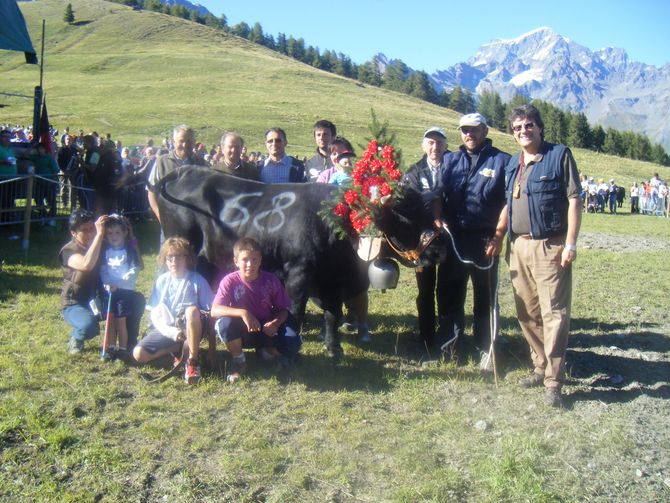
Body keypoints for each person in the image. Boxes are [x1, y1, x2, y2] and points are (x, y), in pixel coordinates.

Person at [493, 104, 581, 407]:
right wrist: (499, 235)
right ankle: (540, 365)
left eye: (529, 125)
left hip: (550, 246)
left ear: (540, 127)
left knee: (554, 313)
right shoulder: (513, 164)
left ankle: (554, 381)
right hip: (517, 247)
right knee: (526, 312)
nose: (523, 131)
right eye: (517, 127)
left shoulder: (558, 155)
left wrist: (570, 243)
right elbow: (509, 203)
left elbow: (574, 199)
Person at [432, 114, 510, 366]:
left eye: (474, 129)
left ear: (485, 131)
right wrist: (437, 217)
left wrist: (499, 235)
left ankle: (486, 349)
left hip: (485, 241)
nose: (469, 134)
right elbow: (437, 194)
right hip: (453, 240)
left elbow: (508, 203)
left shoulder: (502, 161)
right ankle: (450, 350)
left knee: (485, 298)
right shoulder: (450, 160)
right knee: (449, 294)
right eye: (464, 130)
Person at [211, 237, 301, 381]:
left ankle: (266, 351)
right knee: (225, 324)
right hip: (242, 330)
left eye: (254, 259)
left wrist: (275, 323)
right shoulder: (229, 281)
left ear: (260, 260)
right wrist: (243, 313)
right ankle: (239, 361)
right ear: (236, 261)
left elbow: (283, 310)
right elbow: (215, 310)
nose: (250, 264)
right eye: (245, 260)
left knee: (293, 343)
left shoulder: (271, 280)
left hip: (266, 328)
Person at [59, 210, 145, 355]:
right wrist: (99, 235)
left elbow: (138, 262)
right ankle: (77, 337)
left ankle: (130, 342)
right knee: (89, 327)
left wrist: (130, 235)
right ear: (73, 233)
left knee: (137, 300)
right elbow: (86, 265)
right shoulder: (68, 251)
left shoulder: (102, 244)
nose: (90, 233)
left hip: (101, 298)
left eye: (92, 228)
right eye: (84, 230)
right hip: (76, 302)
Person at [132, 237, 214, 384]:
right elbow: (155, 315)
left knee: (191, 311)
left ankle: (193, 361)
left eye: (179, 257)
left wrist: (212, 349)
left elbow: (212, 313)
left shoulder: (198, 281)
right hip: (168, 328)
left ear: (187, 259)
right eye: (170, 257)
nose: (174, 261)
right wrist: (171, 332)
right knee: (139, 354)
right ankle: (177, 349)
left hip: (192, 327)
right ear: (165, 260)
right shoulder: (161, 281)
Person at [402, 127, 449, 349]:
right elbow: (408, 202)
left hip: (450, 236)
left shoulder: (454, 166)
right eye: (430, 142)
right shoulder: (414, 172)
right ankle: (426, 335)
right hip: (423, 241)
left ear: (446, 145)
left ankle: (448, 335)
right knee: (425, 289)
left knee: (448, 287)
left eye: (439, 142)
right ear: (424, 146)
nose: (435, 147)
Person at [99, 215, 143, 361]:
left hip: (124, 291)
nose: (113, 236)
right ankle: (111, 347)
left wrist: (119, 283)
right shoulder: (105, 251)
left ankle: (123, 348)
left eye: (117, 232)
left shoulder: (129, 250)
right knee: (110, 320)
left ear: (124, 233)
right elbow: (103, 270)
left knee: (121, 321)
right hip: (109, 291)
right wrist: (107, 283)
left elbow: (134, 270)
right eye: (110, 233)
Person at [147, 125, 206, 223]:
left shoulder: (202, 164)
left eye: (189, 141)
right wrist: (161, 217)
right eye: (181, 141)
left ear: (194, 143)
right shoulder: (161, 162)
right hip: (169, 221)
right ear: (173, 142)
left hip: (195, 222)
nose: (185, 145)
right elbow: (151, 192)